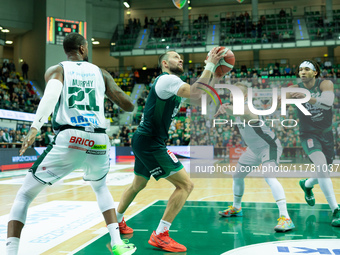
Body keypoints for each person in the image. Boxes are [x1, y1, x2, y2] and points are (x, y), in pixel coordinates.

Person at [6, 33, 137, 255]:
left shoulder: (57, 70)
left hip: (71, 138)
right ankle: (117, 243)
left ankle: (10, 252)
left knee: (25, 195)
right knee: (101, 187)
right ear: (83, 49)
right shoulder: (101, 73)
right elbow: (128, 106)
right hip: (98, 140)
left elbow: (50, 97)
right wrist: (105, 89)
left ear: (66, 51)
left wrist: (35, 127)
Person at [116, 48, 225, 252]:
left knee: (138, 184)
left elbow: (199, 97)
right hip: (151, 142)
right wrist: (210, 65)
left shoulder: (171, 84)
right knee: (185, 186)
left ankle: (117, 221)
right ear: (165, 63)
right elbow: (196, 92)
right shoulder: (167, 80)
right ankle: (160, 234)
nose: (180, 58)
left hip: (144, 140)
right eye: (175, 57)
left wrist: (215, 75)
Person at [214, 82, 295, 232]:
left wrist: (225, 107)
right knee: (237, 175)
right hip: (253, 150)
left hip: (269, 146)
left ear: (244, 96)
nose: (232, 95)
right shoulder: (239, 107)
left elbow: (238, 111)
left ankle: (286, 218)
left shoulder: (247, 108)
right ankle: (237, 208)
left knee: (269, 176)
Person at [288, 59, 340, 227]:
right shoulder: (294, 89)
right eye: (300, 69)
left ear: (315, 72)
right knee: (322, 168)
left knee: (324, 172)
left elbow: (327, 103)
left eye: (306, 69)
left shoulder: (325, 84)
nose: (302, 72)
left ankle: (307, 184)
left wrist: (307, 97)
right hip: (308, 134)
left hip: (327, 135)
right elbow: (281, 98)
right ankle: (336, 210)